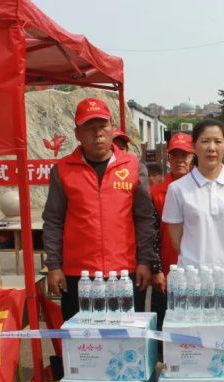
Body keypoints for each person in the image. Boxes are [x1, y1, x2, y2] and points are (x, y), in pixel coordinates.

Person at [42, 97, 160, 320]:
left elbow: (145, 219)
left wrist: (145, 261)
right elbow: (53, 221)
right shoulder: (62, 170)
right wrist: (54, 266)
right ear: (77, 134)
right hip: (79, 275)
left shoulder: (133, 167)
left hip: (124, 273)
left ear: (112, 128)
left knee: (124, 337)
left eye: (103, 125)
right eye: (89, 127)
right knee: (83, 338)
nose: (98, 133)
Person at [162, 119, 224, 272]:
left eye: (218, 141)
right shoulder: (177, 189)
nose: (211, 148)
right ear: (194, 146)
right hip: (193, 276)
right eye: (205, 141)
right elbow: (176, 240)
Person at [149, 133, 195, 328]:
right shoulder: (156, 192)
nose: (179, 160)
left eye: (184, 155)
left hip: (197, 271)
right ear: (168, 158)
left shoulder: (203, 188)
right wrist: (156, 269)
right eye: (174, 155)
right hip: (168, 270)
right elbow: (151, 234)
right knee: (165, 325)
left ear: (193, 156)